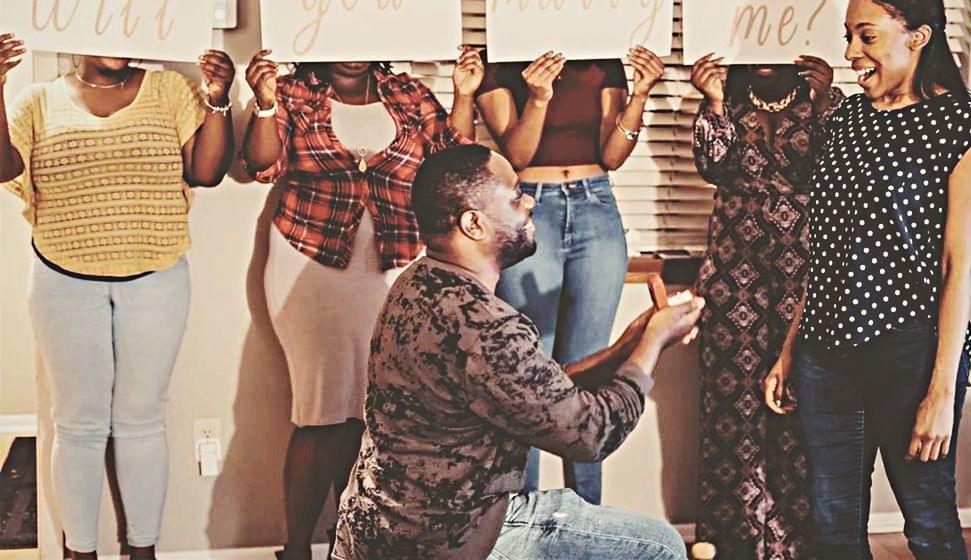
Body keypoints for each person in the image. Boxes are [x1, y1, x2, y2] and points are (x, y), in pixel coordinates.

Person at [332, 142, 702, 560]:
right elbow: (591, 434)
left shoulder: (417, 284)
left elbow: (537, 390)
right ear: (474, 224)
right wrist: (653, 346)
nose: (529, 202)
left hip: (380, 528)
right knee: (661, 545)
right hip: (448, 537)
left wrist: (627, 345)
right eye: (514, 195)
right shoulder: (484, 323)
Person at [764, 0, 971, 560]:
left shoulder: (961, 123)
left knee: (929, 523)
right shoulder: (844, 120)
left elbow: (956, 265)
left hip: (908, 350)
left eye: (866, 36)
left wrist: (941, 391)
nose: (850, 54)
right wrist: (793, 346)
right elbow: (828, 249)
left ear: (917, 36)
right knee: (831, 527)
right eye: (848, 36)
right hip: (825, 352)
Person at [240, 46, 482, 559]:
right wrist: (263, 103)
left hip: (393, 264)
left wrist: (463, 95)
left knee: (375, 412)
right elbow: (261, 166)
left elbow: (453, 162)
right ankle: (298, 548)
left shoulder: (407, 93)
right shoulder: (293, 92)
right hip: (311, 265)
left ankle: (352, 545)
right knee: (322, 410)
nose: (352, 53)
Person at [0, 35, 236, 560]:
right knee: (77, 422)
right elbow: (5, 168)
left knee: (142, 418)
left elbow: (206, 171)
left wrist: (219, 95)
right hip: (63, 277)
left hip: (156, 278)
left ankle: (142, 550)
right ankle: (79, 551)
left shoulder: (170, 89)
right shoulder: (38, 100)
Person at [474, 46, 665, 503]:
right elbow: (516, 156)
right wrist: (538, 97)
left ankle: (587, 523)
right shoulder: (501, 57)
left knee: (588, 373)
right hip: (529, 205)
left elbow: (613, 155)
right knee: (528, 370)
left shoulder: (601, 60)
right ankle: (525, 522)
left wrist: (639, 95)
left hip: (596, 203)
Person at [690, 55, 843, 559]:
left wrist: (824, 101)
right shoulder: (727, 101)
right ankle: (732, 540)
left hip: (805, 272)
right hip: (734, 271)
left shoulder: (829, 104)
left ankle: (791, 543)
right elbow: (713, 167)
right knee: (730, 407)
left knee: (799, 404)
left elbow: (840, 172)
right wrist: (712, 102)